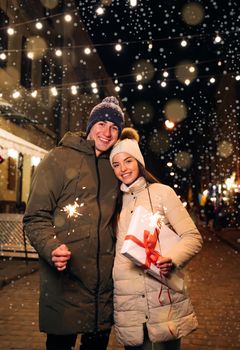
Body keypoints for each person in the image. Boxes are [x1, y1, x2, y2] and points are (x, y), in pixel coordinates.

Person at [23, 96, 125, 350]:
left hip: (103, 286)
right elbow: (35, 216)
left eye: (114, 127)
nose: (107, 132)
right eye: (101, 123)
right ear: (90, 125)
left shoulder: (116, 167)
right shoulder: (58, 159)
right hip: (65, 280)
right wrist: (50, 247)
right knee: (59, 345)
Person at [109, 128, 203, 350]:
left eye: (128, 161)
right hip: (128, 304)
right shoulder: (114, 202)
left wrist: (172, 258)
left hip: (162, 301)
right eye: (116, 164)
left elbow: (192, 237)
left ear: (139, 162)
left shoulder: (162, 193)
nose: (123, 169)